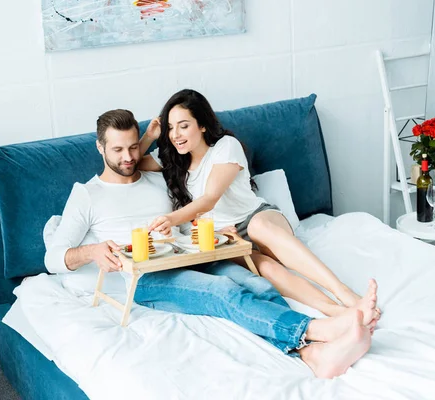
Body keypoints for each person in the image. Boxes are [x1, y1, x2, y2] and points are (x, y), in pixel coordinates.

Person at [44, 108, 375, 379]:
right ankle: (320, 330)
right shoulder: (87, 194)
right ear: (100, 148)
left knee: (255, 285)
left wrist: (219, 231)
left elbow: (192, 211)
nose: (128, 157)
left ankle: (310, 353)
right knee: (225, 294)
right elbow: (54, 258)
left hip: (188, 256)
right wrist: (92, 251)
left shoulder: (157, 176)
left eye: (133, 147)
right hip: (143, 279)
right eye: (117, 150)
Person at [139, 89, 380, 325]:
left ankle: (344, 292)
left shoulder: (225, 146)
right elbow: (130, 162)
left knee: (259, 227)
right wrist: (149, 136)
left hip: (256, 218)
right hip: (225, 238)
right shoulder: (171, 158)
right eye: (171, 127)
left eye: (183, 125)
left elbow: (210, 198)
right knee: (266, 268)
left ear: (202, 125)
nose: (175, 134)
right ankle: (336, 312)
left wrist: (171, 219)